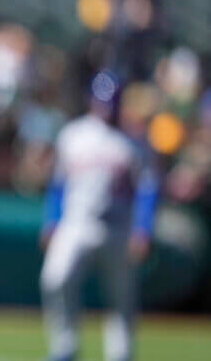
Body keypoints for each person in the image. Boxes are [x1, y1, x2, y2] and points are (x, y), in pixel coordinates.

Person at [39, 70, 160, 361]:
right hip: (76, 223)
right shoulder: (73, 134)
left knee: (122, 298)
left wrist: (142, 228)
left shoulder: (134, 142)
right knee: (55, 279)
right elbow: (58, 185)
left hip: (118, 227)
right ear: (92, 100)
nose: (107, 107)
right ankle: (64, 347)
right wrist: (52, 220)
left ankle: (120, 354)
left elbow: (148, 189)